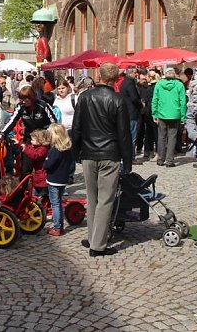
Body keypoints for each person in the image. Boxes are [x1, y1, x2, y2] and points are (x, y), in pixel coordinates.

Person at [71, 62, 131, 257]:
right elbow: (124, 134)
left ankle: (92, 237)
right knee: (106, 200)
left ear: (99, 75)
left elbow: (77, 127)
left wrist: (75, 152)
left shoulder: (85, 97)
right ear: (115, 79)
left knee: (92, 197)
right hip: (110, 154)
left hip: (88, 153)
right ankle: (97, 245)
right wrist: (127, 160)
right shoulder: (117, 100)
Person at [1, 84, 57, 179]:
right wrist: (2, 133)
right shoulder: (20, 107)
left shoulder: (43, 105)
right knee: (25, 168)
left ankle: (44, 190)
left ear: (32, 97)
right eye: (21, 99)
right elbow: (12, 121)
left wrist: (47, 136)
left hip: (44, 140)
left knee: (43, 167)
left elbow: (54, 123)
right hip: (29, 139)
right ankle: (23, 190)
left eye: (26, 99)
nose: (23, 102)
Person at [151, 68, 186, 168]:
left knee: (161, 137)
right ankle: (169, 160)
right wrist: (183, 117)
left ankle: (160, 159)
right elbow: (182, 102)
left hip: (162, 114)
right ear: (174, 75)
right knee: (172, 137)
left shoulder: (159, 84)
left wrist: (154, 114)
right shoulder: (179, 85)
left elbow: (155, 100)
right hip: (175, 114)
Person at [44, 123, 75, 237]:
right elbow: (71, 165)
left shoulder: (54, 150)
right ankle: (59, 225)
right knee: (59, 202)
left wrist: (45, 164)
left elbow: (48, 165)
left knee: (55, 204)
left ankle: (58, 227)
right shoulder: (68, 149)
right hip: (63, 179)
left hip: (53, 180)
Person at [119, 66, 143, 161]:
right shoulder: (129, 83)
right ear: (130, 73)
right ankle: (131, 157)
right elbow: (134, 98)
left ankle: (127, 155)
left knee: (128, 135)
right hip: (132, 112)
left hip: (126, 111)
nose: (136, 74)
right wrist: (141, 103)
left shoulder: (124, 82)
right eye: (135, 72)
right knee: (132, 135)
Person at [21, 129, 51, 199]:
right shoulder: (36, 147)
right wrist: (22, 145)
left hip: (43, 177)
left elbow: (35, 155)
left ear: (40, 141)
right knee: (35, 194)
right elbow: (30, 148)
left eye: (33, 140)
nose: (31, 142)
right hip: (38, 176)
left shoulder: (43, 149)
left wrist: (25, 149)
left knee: (42, 196)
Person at [136, 69, 157, 161]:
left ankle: (149, 151)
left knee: (150, 132)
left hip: (148, 111)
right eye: (142, 79)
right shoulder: (136, 87)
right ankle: (142, 149)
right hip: (141, 111)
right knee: (141, 131)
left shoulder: (149, 87)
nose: (144, 80)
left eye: (145, 79)